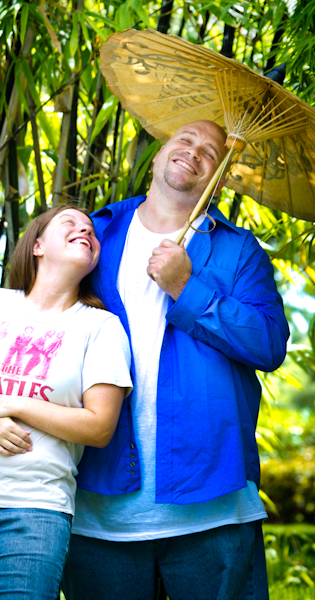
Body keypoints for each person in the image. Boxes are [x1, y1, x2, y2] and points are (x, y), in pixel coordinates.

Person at [61, 121, 290, 600]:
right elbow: (34, 317)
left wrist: (187, 288)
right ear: (160, 151)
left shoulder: (239, 250)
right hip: (99, 508)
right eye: (185, 139)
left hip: (214, 507)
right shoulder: (94, 233)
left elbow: (268, 345)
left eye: (211, 152)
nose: (194, 151)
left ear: (219, 180)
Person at [0, 205, 132, 600]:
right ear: (37, 245)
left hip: (33, 506)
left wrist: (12, 404)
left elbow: (99, 426)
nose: (85, 230)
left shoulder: (100, 326)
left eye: (91, 230)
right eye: (70, 223)